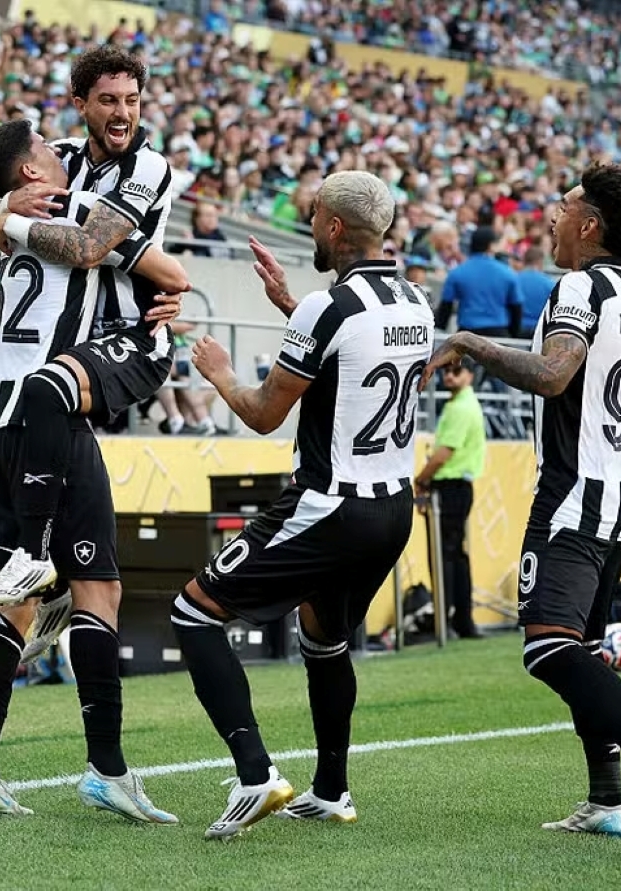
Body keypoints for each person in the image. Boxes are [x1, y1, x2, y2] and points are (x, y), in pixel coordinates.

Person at [422, 162, 621, 868]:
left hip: (573, 494)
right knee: (582, 643)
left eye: (563, 206)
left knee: (548, 647)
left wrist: (467, 342)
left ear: (588, 225)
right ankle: (607, 799)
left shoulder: (580, 288)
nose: (551, 216)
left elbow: (553, 376)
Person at [176, 171, 430, 839]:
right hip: (392, 507)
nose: (310, 225)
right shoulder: (415, 301)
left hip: (331, 504)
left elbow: (264, 413)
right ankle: (332, 791)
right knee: (324, 638)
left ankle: (255, 775)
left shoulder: (328, 307)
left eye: (314, 215)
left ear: (335, 228)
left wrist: (219, 372)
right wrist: (292, 304)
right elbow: (352, 357)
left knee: (193, 611)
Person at [0, 119, 186, 822]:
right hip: (45, 416)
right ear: (32, 171)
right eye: (46, 151)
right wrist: (165, 293)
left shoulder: (12, 218)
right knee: (98, 589)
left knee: (15, 601)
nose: (59, 153)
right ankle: (107, 769)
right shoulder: (72, 205)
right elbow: (167, 272)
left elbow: (0, 226)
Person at [0, 44, 177, 607]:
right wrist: (1, 212)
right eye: (109, 100)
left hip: (134, 334)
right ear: (80, 104)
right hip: (78, 345)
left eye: (132, 100)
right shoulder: (61, 157)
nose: (123, 112)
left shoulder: (148, 167)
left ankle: (36, 554)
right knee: (46, 394)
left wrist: (11, 221)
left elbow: (91, 249)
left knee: (46, 389)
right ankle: (51, 579)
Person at [414, 356, 487, 639]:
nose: (449, 376)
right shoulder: (462, 405)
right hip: (457, 487)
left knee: (443, 555)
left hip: (450, 487)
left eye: (456, 371)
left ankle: (446, 620)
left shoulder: (460, 408)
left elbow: (444, 453)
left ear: (470, 375)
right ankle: (461, 620)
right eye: (446, 371)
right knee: (456, 555)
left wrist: (421, 479)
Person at [436, 226, 522, 338]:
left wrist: (440, 333)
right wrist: (513, 336)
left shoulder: (457, 273)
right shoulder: (507, 273)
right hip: (498, 334)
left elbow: (445, 308)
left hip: (467, 334)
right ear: (491, 246)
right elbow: (516, 308)